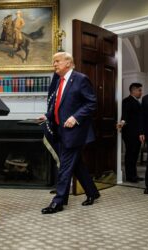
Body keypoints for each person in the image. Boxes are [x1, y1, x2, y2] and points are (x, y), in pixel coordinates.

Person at [40, 52, 100, 214]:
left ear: (68, 62)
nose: (54, 65)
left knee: (65, 167)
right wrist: (47, 115)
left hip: (75, 132)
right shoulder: (59, 81)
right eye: (53, 62)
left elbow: (91, 103)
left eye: (57, 61)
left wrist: (75, 117)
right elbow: (58, 105)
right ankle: (93, 192)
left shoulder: (80, 79)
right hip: (60, 130)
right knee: (76, 165)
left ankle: (58, 202)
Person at [116, 83, 144, 183]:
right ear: (133, 91)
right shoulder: (127, 101)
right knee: (131, 155)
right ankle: (130, 176)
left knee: (134, 155)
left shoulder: (136, 101)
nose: (141, 92)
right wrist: (122, 122)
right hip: (130, 134)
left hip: (136, 133)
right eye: (139, 90)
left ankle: (134, 175)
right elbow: (125, 115)